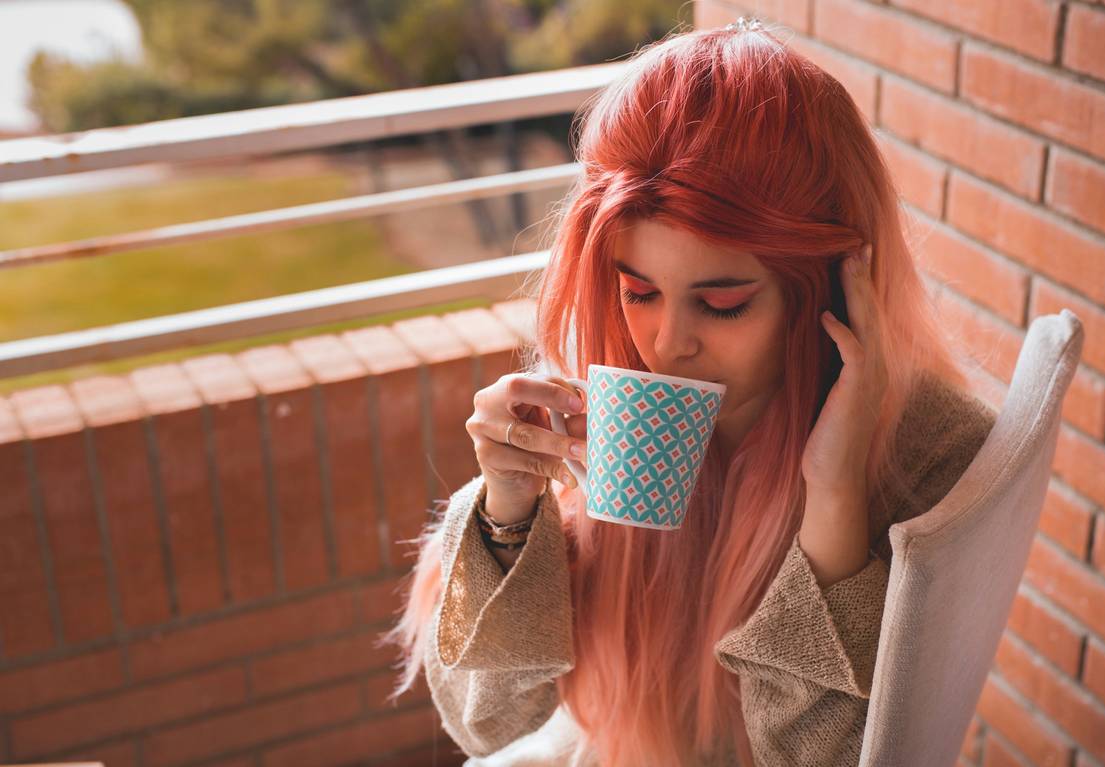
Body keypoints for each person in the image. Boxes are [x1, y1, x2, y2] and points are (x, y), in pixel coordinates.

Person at [381, 17, 996, 767]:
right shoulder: (596, 394)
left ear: (829, 288)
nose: (666, 344)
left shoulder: (931, 452)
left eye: (723, 302)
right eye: (639, 290)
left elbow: (824, 760)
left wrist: (833, 501)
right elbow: (492, 723)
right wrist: (508, 517)